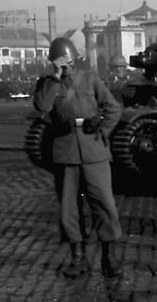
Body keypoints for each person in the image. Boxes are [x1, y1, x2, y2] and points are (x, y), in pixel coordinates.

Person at [33, 37, 123, 279]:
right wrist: (54, 78)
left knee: (104, 203)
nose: (67, 66)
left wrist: (103, 129)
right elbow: (41, 107)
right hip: (65, 151)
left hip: (94, 149)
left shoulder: (90, 78)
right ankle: (78, 256)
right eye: (62, 62)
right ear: (53, 62)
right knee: (69, 208)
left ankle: (109, 254)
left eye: (70, 61)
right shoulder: (46, 84)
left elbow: (113, 108)